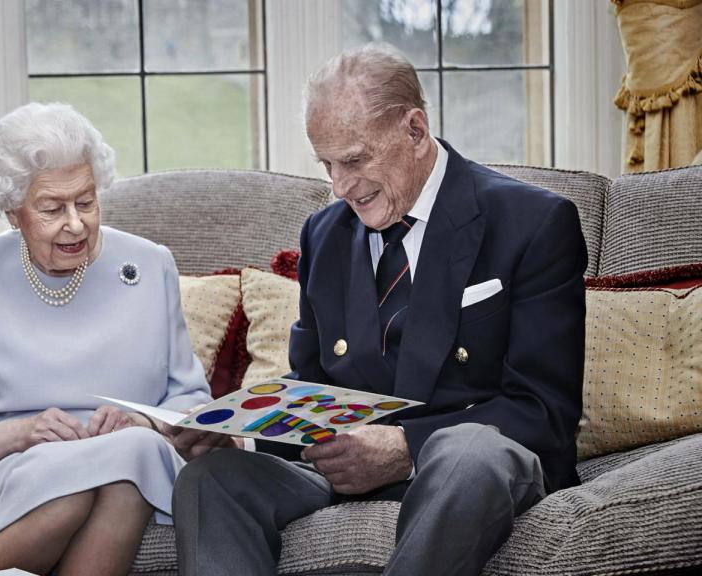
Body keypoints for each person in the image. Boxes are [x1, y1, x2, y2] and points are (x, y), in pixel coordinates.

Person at [171, 44, 587, 576]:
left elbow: (544, 412)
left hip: (475, 471)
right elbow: (314, 389)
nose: (340, 187)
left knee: (468, 453)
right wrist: (240, 433)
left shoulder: (532, 221)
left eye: (354, 159)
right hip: (345, 476)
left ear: (414, 130)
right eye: (326, 164)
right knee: (212, 480)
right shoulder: (324, 234)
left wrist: (404, 446)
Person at [0, 102, 212, 575]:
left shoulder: (150, 263)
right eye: (51, 208)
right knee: (87, 484)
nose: (75, 223)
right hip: (19, 459)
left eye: (87, 201)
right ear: (13, 213)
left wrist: (147, 424)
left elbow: (192, 399)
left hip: (137, 453)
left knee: (129, 461)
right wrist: (24, 431)